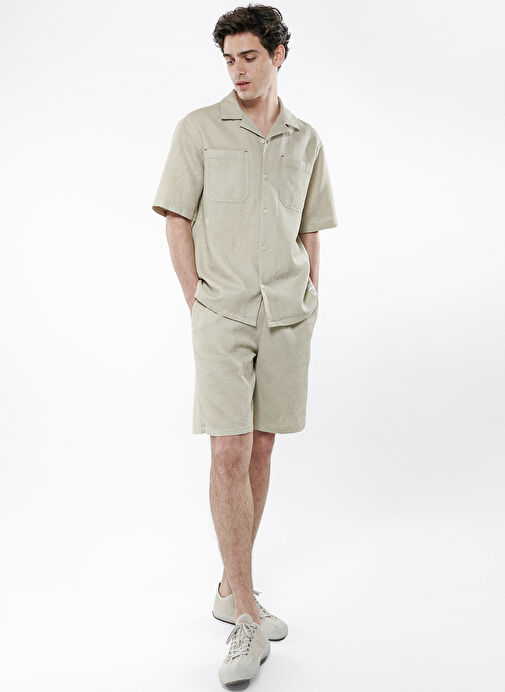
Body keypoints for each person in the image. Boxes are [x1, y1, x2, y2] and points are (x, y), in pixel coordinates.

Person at [152, 4, 338, 685]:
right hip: (222, 313)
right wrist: (196, 299)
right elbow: (176, 217)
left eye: (249, 56)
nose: (237, 70)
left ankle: (232, 591)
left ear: (278, 55)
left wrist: (311, 297)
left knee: (261, 448)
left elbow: (310, 227)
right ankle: (248, 617)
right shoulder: (198, 130)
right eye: (229, 59)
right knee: (227, 450)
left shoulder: (305, 139)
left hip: (286, 315)